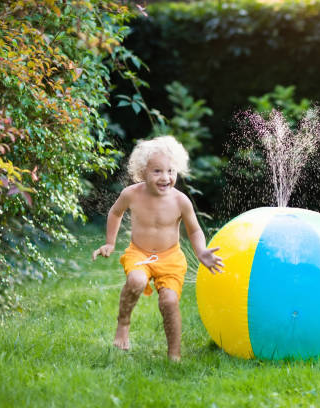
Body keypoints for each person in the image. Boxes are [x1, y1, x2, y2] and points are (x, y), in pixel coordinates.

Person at [92, 135, 224, 361]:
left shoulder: (180, 201)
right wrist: (110, 243)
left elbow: (194, 230)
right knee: (136, 281)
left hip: (171, 258)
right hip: (139, 253)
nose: (165, 177)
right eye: (157, 171)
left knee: (169, 301)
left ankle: (174, 353)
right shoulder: (131, 194)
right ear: (143, 172)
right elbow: (115, 213)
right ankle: (123, 324)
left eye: (171, 171)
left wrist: (201, 251)